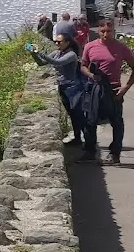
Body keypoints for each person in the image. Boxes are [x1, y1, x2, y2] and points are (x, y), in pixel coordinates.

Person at [79, 18, 134, 164]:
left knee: (116, 123)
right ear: (98, 31)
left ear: (113, 31)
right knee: (90, 121)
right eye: (102, 31)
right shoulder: (90, 46)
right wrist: (92, 75)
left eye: (109, 31)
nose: (105, 34)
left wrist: (126, 87)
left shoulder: (121, 48)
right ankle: (90, 152)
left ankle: (115, 154)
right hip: (94, 89)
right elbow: (83, 65)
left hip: (114, 89)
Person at [29, 33, 84, 146]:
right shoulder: (57, 53)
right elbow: (42, 63)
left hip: (73, 88)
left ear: (67, 43)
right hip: (63, 86)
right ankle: (78, 138)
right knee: (71, 114)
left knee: (78, 114)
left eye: (59, 42)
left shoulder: (71, 55)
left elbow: (57, 62)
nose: (56, 43)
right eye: (55, 41)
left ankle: (88, 141)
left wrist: (38, 52)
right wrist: (33, 54)